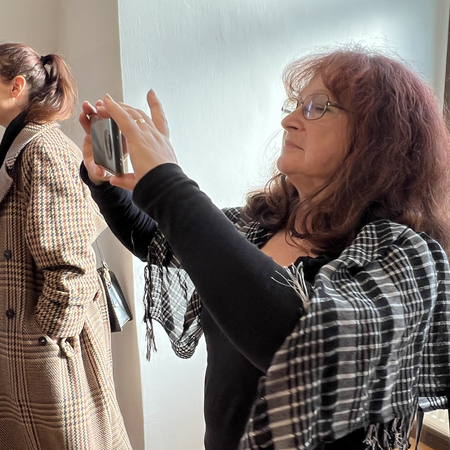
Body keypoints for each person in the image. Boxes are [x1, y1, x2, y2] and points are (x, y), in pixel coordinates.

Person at [79, 48, 450, 450]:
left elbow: (303, 349)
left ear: (377, 138)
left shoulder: (405, 255)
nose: (289, 120)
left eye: (317, 107)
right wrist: (108, 179)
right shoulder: (260, 224)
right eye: (296, 105)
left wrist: (169, 185)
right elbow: (156, 239)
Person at [0, 42, 132, 450]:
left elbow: (71, 266)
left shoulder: (43, 149)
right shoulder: (20, 146)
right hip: (24, 347)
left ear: (15, 86)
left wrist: (48, 338)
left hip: (47, 354)